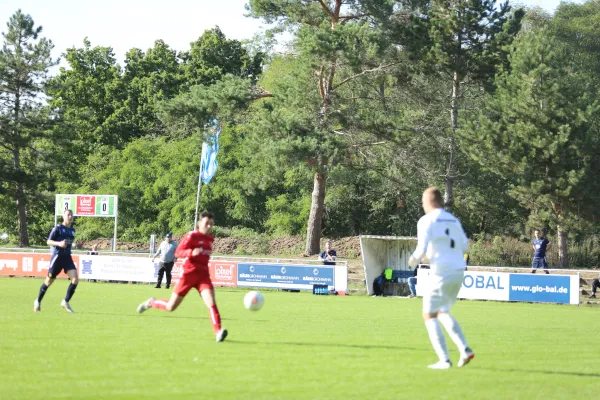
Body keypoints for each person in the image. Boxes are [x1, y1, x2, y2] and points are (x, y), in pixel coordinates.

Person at [408, 187, 474, 369]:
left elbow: (421, 249)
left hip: (441, 271)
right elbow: (465, 247)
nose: (422, 205)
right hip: (458, 269)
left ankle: (444, 360)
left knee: (428, 314)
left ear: (429, 201)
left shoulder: (426, 220)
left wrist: (412, 261)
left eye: (422, 202)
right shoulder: (454, 220)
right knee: (442, 311)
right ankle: (465, 349)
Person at [137, 212, 228, 342]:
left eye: (211, 224)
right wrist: (191, 252)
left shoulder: (210, 239)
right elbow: (178, 252)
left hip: (203, 276)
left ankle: (218, 332)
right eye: (206, 223)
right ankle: (152, 302)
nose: (209, 226)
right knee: (171, 307)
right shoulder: (191, 236)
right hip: (188, 275)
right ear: (199, 224)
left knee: (211, 302)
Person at [34, 209, 79, 313]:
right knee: (49, 281)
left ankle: (65, 301)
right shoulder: (57, 228)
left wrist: (73, 245)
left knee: (75, 279)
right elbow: (48, 241)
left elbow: (68, 242)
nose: (70, 217)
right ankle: (38, 301)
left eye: (71, 215)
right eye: (68, 215)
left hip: (67, 257)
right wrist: (59, 244)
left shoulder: (72, 231)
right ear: (63, 216)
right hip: (57, 258)